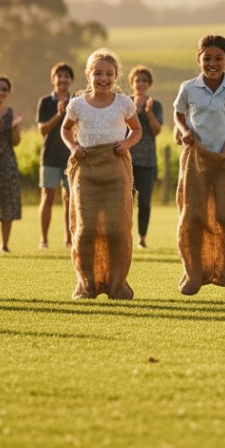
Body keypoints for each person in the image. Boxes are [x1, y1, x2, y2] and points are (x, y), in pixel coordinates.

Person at [173, 34, 225, 295]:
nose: (212, 63)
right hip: (196, 158)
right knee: (194, 215)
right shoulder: (188, 88)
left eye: (218, 58)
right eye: (207, 58)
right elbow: (178, 113)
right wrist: (184, 129)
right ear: (198, 59)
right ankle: (194, 272)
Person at [62, 49, 142, 299]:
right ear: (88, 75)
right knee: (86, 229)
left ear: (116, 75)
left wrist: (126, 145)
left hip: (115, 169)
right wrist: (74, 147)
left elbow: (137, 130)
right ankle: (87, 284)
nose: (103, 78)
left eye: (109, 73)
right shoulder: (77, 104)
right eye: (98, 73)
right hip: (86, 170)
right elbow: (65, 130)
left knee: (117, 229)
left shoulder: (124, 103)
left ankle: (118, 284)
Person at [37, 62, 75, 249]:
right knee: (48, 198)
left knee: (70, 198)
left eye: (66, 76)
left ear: (71, 80)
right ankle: (44, 239)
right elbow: (43, 129)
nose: (63, 79)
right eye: (59, 76)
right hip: (50, 156)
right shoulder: (45, 102)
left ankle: (69, 238)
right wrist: (59, 115)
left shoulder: (76, 101)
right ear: (53, 79)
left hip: (71, 157)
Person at [128, 65, 163, 249]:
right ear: (132, 83)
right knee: (126, 201)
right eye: (137, 80)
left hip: (148, 161)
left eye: (144, 80)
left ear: (148, 84)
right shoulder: (125, 103)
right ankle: (126, 236)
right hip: (127, 160)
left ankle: (142, 237)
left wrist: (148, 113)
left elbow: (157, 131)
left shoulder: (155, 105)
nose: (140, 83)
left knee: (145, 202)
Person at [0, 75, 23, 253]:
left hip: (7, 160)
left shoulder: (11, 113)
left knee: (7, 200)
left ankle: (4, 244)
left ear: (8, 93)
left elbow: (15, 142)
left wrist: (16, 126)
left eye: (4, 89)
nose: (0, 92)